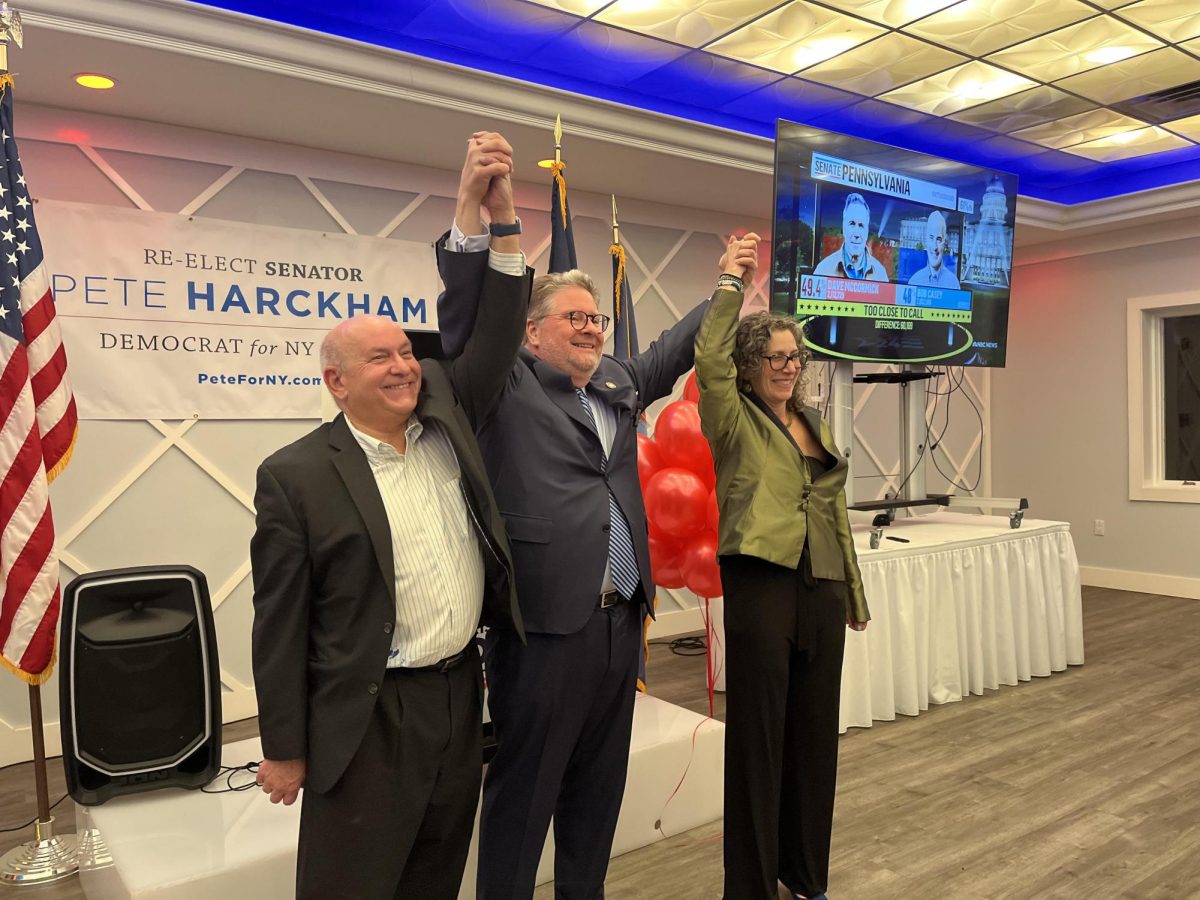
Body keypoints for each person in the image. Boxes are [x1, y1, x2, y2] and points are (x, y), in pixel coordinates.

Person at [249, 132, 532, 900]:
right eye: (381, 358)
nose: (405, 364)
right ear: (338, 384)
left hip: (456, 695)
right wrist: (283, 746)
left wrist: (494, 220)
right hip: (367, 716)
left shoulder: (449, 421)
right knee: (355, 886)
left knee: (435, 876)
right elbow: (279, 624)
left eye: (407, 351)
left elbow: (499, 330)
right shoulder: (295, 476)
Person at [435, 229, 712, 899]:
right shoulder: (503, 382)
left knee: (597, 789)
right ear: (531, 332)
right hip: (544, 629)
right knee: (526, 792)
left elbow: (672, 349)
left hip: (621, 625)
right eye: (575, 318)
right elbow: (473, 311)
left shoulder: (616, 381)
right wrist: (482, 224)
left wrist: (728, 284)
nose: (591, 329)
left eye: (597, 318)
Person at [695, 234, 871, 900]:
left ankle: (804, 875)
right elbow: (707, 357)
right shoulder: (732, 418)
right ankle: (750, 885)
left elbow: (834, 513)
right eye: (773, 357)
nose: (787, 366)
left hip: (820, 586)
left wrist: (851, 592)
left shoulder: (816, 424)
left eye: (794, 356)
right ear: (748, 366)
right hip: (760, 582)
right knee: (759, 739)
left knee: (813, 739)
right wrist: (731, 283)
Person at [812, 192, 888, 282]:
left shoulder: (880, 274)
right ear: (844, 227)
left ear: (867, 231)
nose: (856, 234)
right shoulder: (823, 270)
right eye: (852, 224)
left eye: (861, 225)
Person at [908, 210, 960, 288]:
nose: (935, 247)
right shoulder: (914, 281)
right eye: (931, 238)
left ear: (944, 244)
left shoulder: (953, 284)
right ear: (926, 241)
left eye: (939, 239)